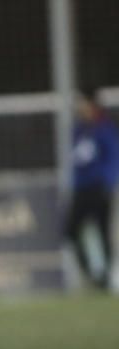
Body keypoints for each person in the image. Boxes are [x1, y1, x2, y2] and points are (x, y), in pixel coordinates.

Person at [65, 90, 119, 290]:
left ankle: (105, 278)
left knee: (103, 231)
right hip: (81, 189)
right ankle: (90, 272)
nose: (80, 107)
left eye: (83, 103)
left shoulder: (104, 129)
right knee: (70, 231)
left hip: (100, 188)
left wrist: (109, 183)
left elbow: (114, 158)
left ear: (92, 104)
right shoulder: (78, 129)